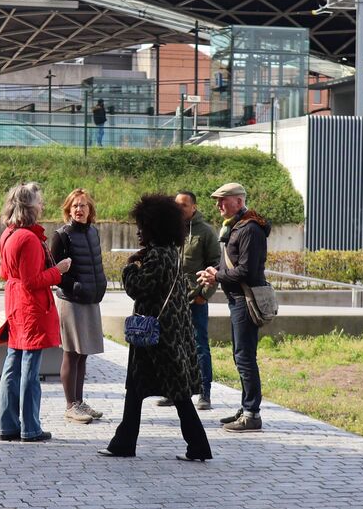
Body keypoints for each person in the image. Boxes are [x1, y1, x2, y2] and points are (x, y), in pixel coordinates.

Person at [100, 195, 211, 462]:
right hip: (165, 334)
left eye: (142, 226)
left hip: (156, 336)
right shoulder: (169, 252)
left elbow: (138, 287)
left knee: (176, 394)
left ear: (154, 228)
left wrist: (128, 269)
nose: (138, 231)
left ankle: (197, 446)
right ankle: (124, 442)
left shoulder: (157, 256)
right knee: (139, 389)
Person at [0, 181, 73, 442]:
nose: (42, 205)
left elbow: (6, 273)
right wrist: (58, 270)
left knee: (12, 364)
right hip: (31, 308)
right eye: (39, 201)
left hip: (15, 304)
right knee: (30, 370)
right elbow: (32, 281)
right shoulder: (28, 238)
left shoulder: (8, 233)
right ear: (29, 207)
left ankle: (8, 425)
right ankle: (30, 427)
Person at [197, 181, 269, 432]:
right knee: (241, 356)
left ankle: (252, 414)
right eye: (217, 200)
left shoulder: (249, 228)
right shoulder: (236, 226)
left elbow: (246, 271)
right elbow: (233, 265)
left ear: (239, 202)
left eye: (223, 200)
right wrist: (215, 271)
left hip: (244, 299)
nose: (218, 205)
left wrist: (217, 277)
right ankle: (246, 407)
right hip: (237, 299)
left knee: (245, 357)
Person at [51, 188, 108, 424]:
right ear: (68, 209)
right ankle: (70, 405)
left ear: (90, 209)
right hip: (71, 301)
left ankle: (80, 401)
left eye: (83, 205)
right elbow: (54, 272)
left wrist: (100, 285)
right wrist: (74, 286)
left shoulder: (94, 231)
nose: (79, 209)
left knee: (84, 354)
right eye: (74, 205)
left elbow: (96, 262)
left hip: (91, 299)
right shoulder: (62, 235)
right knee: (71, 353)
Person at [166, 190, 220, 412]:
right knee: (171, 346)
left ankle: (204, 392)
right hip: (170, 300)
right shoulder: (169, 230)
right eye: (176, 205)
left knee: (199, 346)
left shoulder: (205, 232)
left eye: (184, 205)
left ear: (194, 207)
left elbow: (216, 266)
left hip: (194, 299)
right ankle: (173, 391)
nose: (179, 209)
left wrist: (202, 295)